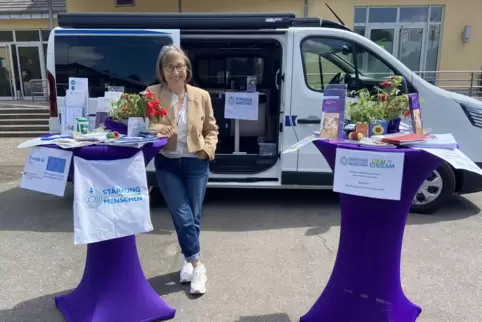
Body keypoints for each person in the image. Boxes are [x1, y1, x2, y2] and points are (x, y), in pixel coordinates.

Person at [147, 45, 218, 295]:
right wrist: (158, 129)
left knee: (193, 217)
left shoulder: (201, 95)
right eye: (170, 66)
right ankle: (199, 266)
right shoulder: (152, 93)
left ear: (186, 69)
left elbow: (211, 128)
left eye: (180, 66)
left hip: (196, 163)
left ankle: (187, 259)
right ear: (162, 71)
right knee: (182, 214)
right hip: (167, 163)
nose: (175, 71)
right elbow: (144, 124)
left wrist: (207, 150)